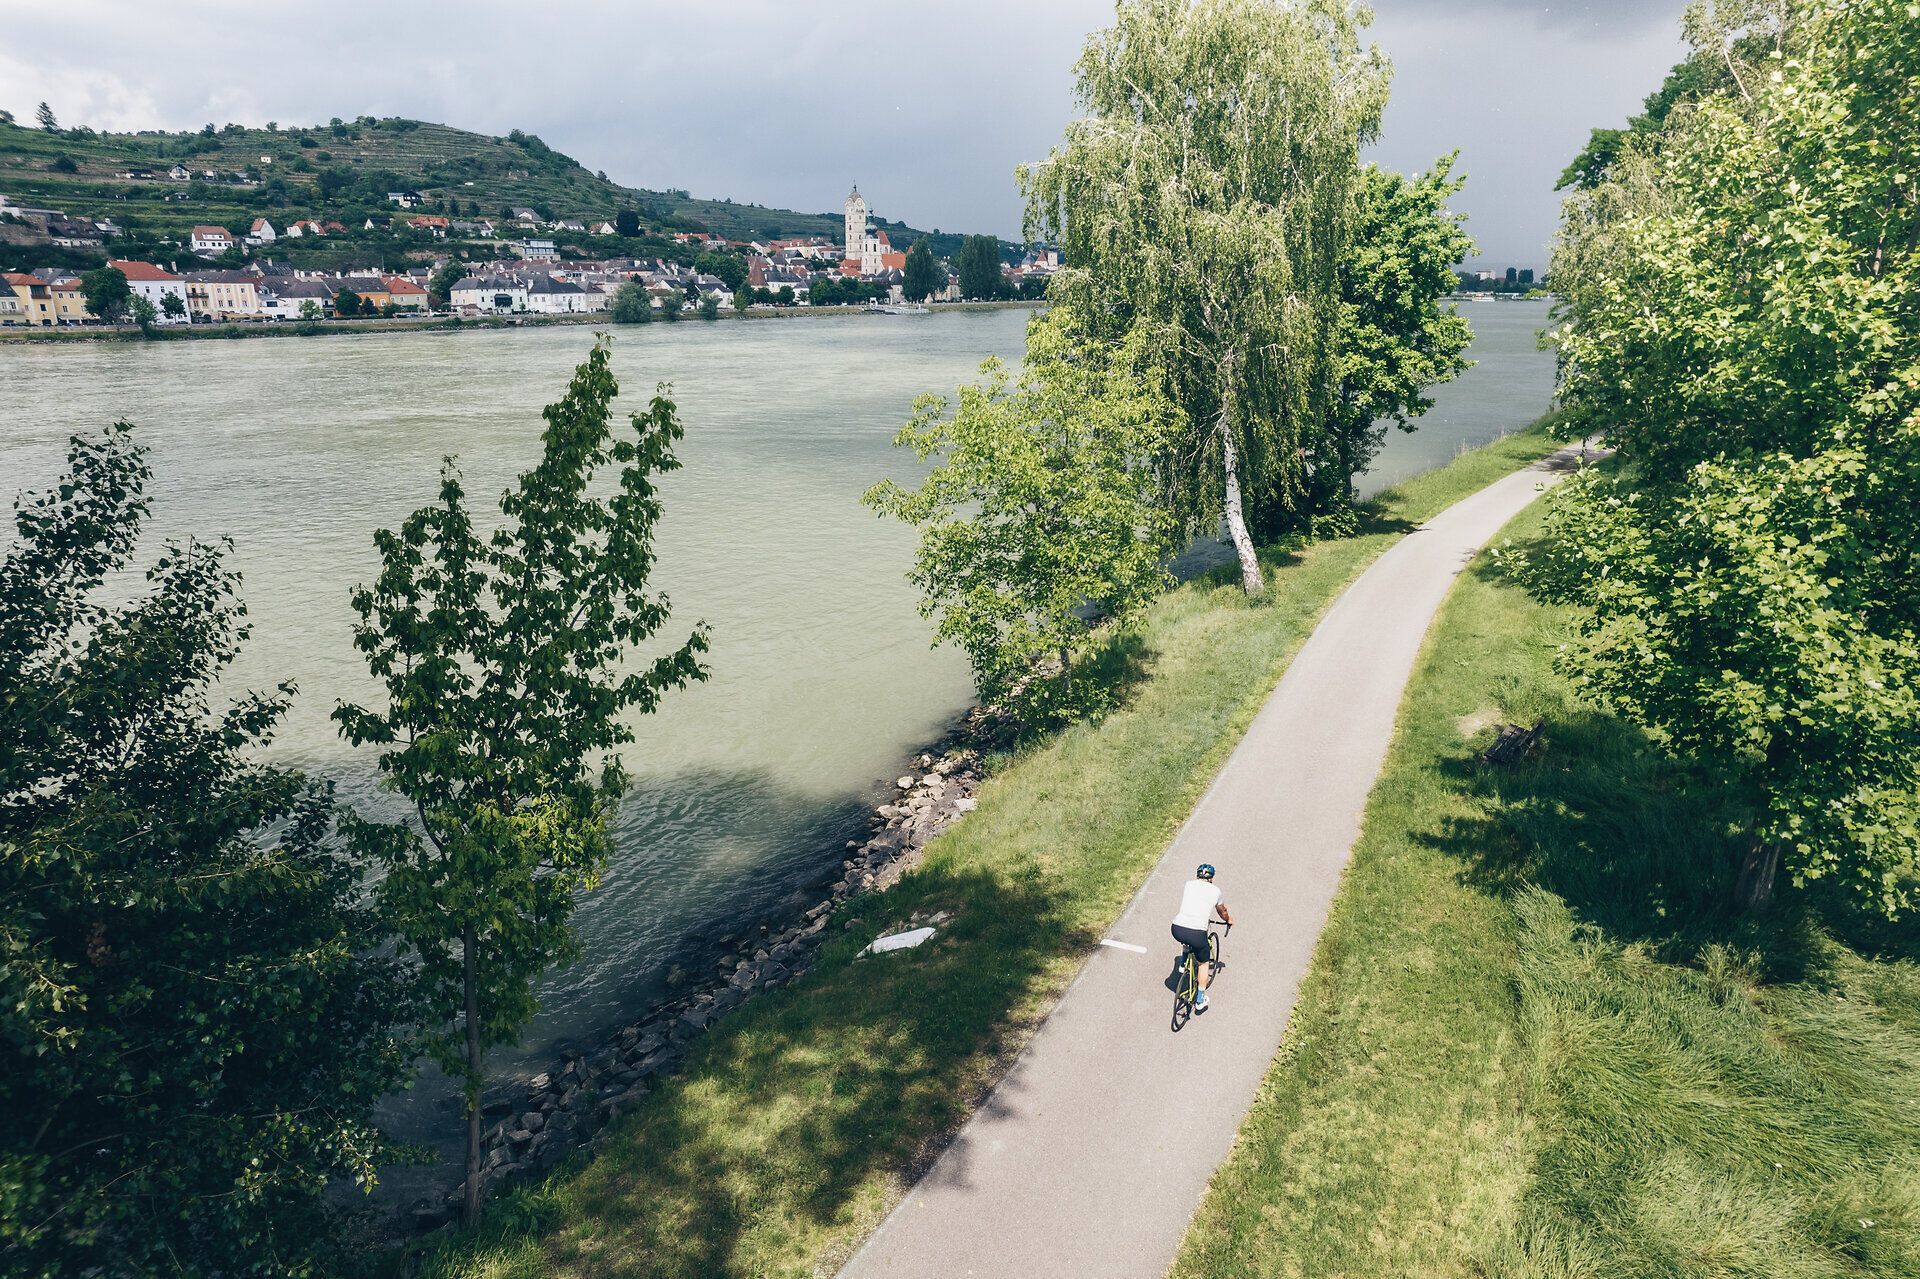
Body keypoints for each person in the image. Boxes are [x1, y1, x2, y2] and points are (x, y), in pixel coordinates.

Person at [1171, 863, 1231, 1011]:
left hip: (1177, 928)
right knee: (1203, 963)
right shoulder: (1216, 891)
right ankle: (1200, 1000)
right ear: (1212, 878)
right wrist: (1228, 920)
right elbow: (1222, 911)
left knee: (1186, 939)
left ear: (1197, 875)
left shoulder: (1188, 884)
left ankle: (1183, 962)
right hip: (1197, 933)